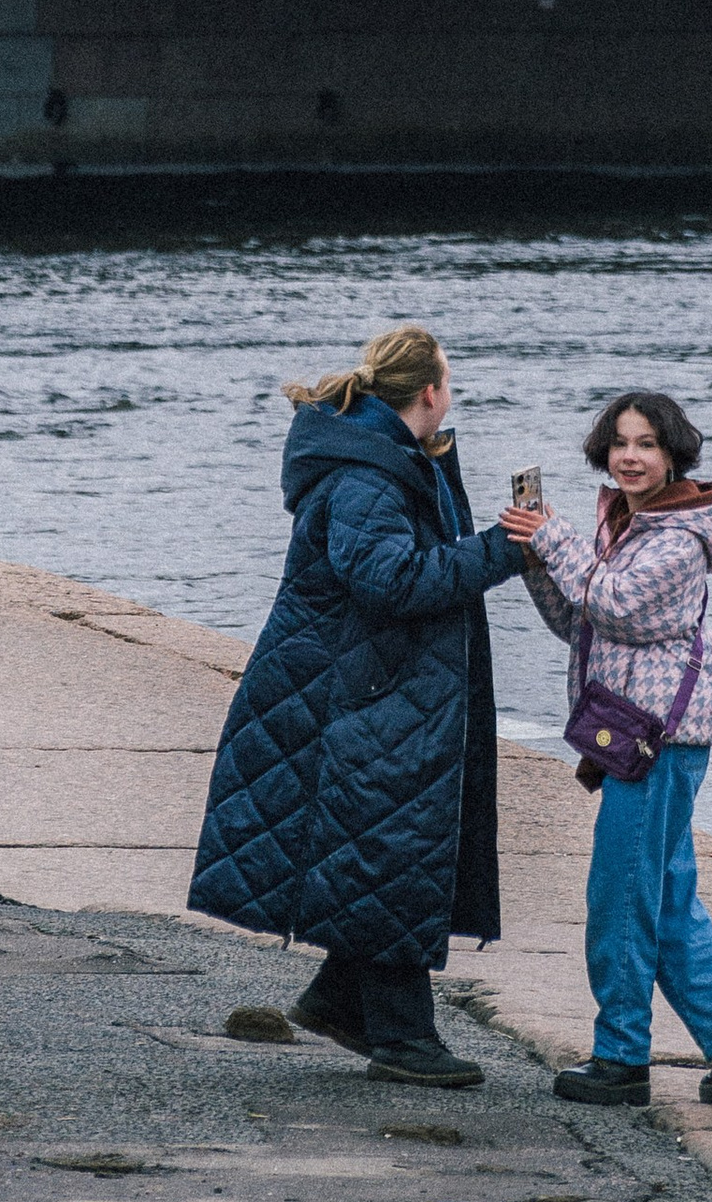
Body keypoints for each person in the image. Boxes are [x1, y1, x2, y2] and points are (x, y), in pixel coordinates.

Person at [189, 320, 527, 1089]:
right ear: (430, 391)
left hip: (365, 688)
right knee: (392, 847)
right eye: (450, 383)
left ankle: (340, 998)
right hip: (359, 695)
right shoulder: (370, 474)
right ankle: (404, 1040)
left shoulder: (386, 457)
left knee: (381, 847)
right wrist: (502, 552)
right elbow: (392, 581)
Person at [516, 387, 712, 1111]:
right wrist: (536, 556)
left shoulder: (676, 538)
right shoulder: (631, 523)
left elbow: (620, 604)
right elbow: (581, 619)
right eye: (621, 443)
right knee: (667, 898)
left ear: (673, 455)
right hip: (644, 730)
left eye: (647, 445)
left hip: (654, 737)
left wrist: (554, 538)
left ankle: (621, 1059)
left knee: (621, 900)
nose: (630, 456)